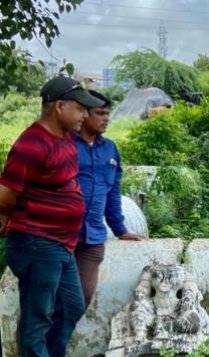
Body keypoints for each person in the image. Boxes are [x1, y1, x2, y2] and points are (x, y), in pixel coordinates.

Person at [0, 77, 104, 357]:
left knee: (71, 305)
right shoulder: (31, 145)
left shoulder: (64, 138)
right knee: (39, 311)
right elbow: (5, 196)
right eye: (80, 108)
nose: (85, 115)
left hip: (59, 243)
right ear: (59, 106)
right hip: (35, 241)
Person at [75, 90, 144, 307]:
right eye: (100, 113)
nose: (106, 118)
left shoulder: (110, 149)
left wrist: (120, 230)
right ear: (83, 113)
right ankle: (37, 342)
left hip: (94, 237)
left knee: (81, 300)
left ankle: (55, 342)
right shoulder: (65, 144)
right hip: (62, 236)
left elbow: (112, 192)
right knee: (46, 303)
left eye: (108, 113)